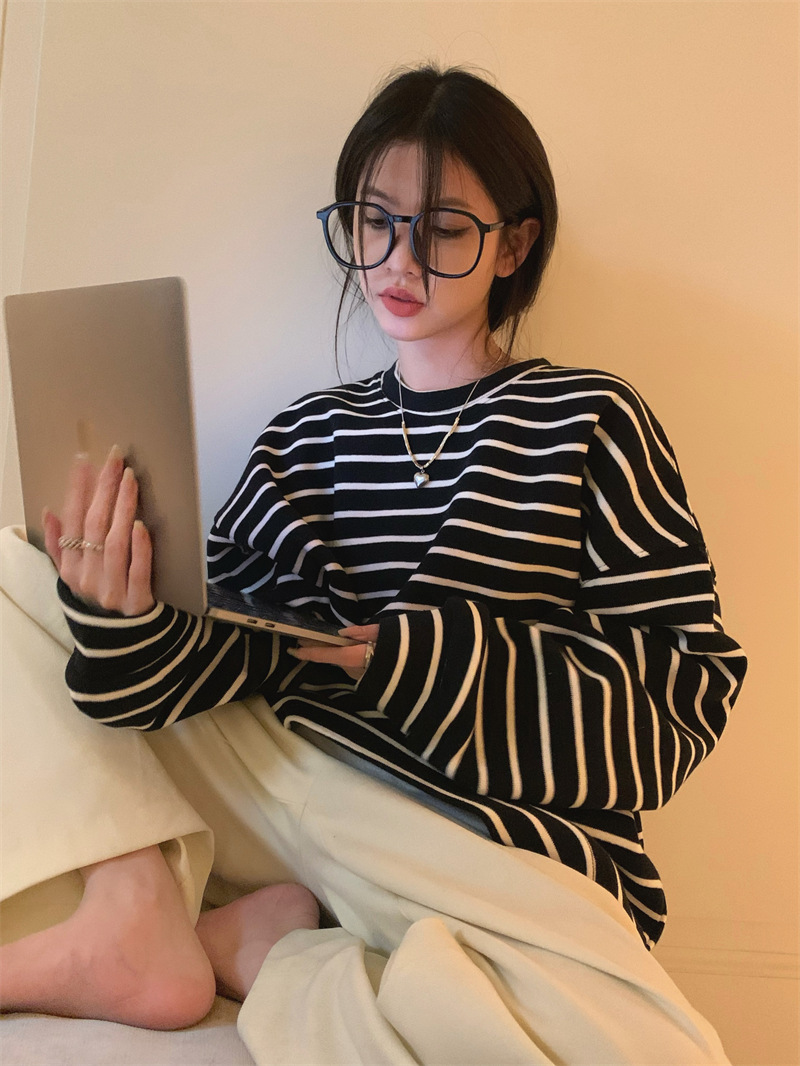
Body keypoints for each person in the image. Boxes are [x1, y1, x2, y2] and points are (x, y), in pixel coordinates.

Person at [0, 65, 746, 1062]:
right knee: (14, 576)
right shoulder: (305, 438)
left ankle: (274, 948)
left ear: (513, 245)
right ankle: (130, 898)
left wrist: (413, 660)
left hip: (478, 845)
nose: (396, 259)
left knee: (635, 1049)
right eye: (372, 220)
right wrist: (119, 612)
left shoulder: (587, 421)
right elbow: (211, 669)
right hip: (291, 786)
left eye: (441, 229)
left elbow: (678, 705)